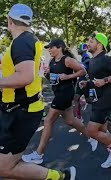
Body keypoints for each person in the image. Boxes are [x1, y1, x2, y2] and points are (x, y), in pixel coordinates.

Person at [0, 4, 75, 179]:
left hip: (20, 111)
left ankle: (59, 177)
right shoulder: (29, 40)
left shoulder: (21, 42)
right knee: (6, 165)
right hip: (18, 108)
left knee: (5, 168)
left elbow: (25, 76)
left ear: (9, 21)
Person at [22, 39, 98, 164]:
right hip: (58, 93)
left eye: (51, 48)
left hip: (65, 94)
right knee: (70, 120)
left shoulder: (67, 60)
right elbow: (52, 78)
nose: (49, 50)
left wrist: (68, 76)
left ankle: (38, 154)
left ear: (59, 47)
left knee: (48, 120)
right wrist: (47, 73)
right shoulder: (52, 61)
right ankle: (91, 137)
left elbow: (82, 71)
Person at [80, 32, 111, 168]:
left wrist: (105, 80)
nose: (88, 43)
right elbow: (96, 81)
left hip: (105, 101)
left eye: (91, 41)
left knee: (91, 131)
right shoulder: (92, 60)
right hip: (96, 100)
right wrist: (87, 85)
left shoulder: (107, 59)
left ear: (100, 44)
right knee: (102, 129)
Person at [73, 43, 90, 121]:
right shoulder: (83, 57)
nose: (78, 50)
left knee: (89, 100)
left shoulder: (86, 56)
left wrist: (77, 64)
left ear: (83, 49)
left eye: (79, 49)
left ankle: (106, 118)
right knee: (76, 98)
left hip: (84, 82)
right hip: (81, 81)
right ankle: (78, 117)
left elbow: (85, 66)